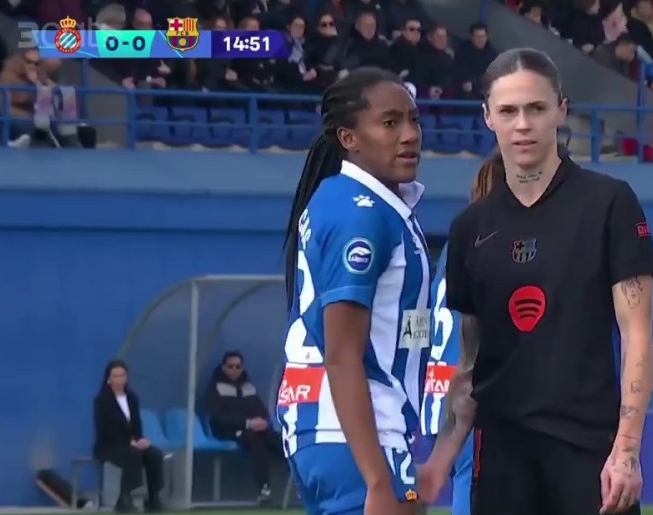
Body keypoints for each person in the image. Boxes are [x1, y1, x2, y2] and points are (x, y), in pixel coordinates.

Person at [418, 48, 653, 515]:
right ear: (488, 117)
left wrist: (626, 450)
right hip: (501, 463)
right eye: (508, 111)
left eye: (536, 108)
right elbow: (471, 363)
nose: (522, 124)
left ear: (561, 110)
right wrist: (441, 459)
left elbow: (638, 337)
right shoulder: (470, 228)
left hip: (589, 456)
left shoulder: (609, 204)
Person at [276, 66, 429, 515]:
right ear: (349, 138)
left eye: (414, 119)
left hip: (328, 428)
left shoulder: (352, 200)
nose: (409, 134)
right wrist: (377, 478)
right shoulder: (360, 214)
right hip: (355, 432)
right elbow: (343, 352)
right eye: (389, 122)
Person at [420, 161, 496, 515]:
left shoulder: (455, 245)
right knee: (475, 488)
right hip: (469, 391)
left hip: (437, 392)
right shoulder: (493, 240)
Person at [205, 350, 281, 503]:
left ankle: (303, 483)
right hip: (228, 431)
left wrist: (263, 421)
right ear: (224, 368)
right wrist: (247, 423)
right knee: (257, 443)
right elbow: (218, 417)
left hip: (255, 429)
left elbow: (261, 409)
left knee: (278, 441)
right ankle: (264, 491)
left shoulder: (249, 387)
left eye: (238, 366)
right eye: (230, 366)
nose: (234, 370)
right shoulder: (215, 388)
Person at [92, 360, 165, 513]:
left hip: (132, 444)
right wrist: (129, 442)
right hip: (109, 445)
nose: (119, 379)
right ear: (109, 379)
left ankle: (153, 497)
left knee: (154, 455)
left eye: (122, 375)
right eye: (116, 376)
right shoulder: (101, 401)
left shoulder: (132, 398)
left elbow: (137, 424)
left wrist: (140, 439)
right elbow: (104, 429)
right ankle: (124, 498)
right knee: (133, 455)